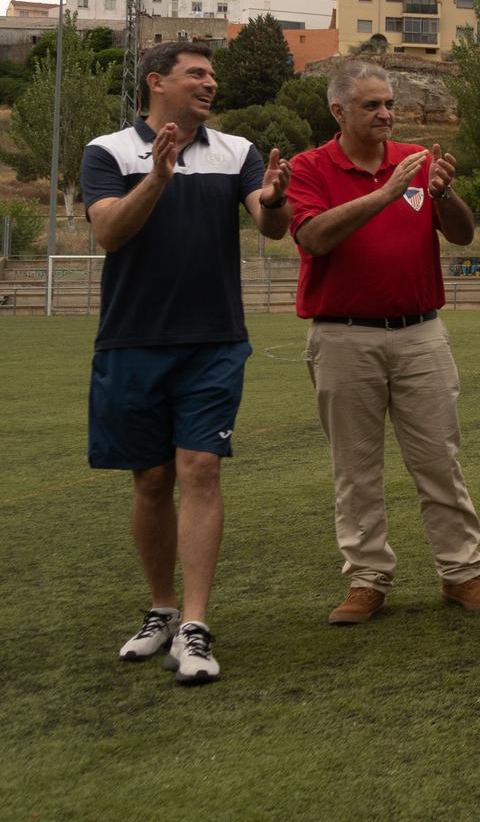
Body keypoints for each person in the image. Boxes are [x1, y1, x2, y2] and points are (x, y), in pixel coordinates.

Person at [84, 41, 293, 683]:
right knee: (150, 480)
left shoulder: (237, 152)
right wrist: (157, 178)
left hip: (213, 341)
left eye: (212, 75)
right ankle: (162, 609)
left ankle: (196, 626)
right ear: (157, 82)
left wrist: (277, 197)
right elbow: (109, 232)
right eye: (196, 74)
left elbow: (270, 226)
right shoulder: (108, 151)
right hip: (131, 341)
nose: (211, 83)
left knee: (199, 468)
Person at [288, 62, 480, 626]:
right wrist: (387, 192)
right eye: (371, 106)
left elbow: (459, 234)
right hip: (342, 336)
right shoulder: (311, 167)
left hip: (421, 333)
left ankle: (462, 573)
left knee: (439, 459)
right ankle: (367, 580)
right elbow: (313, 236)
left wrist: (445, 194)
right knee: (355, 468)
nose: (385, 114)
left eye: (388, 105)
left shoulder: (417, 160)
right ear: (338, 112)